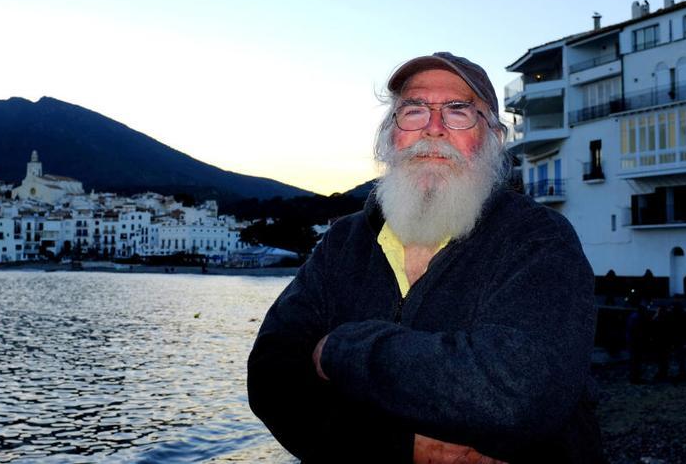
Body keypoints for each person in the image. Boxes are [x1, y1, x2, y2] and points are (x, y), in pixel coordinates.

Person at [248, 52, 603, 462]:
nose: (433, 129)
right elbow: (271, 377)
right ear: (389, 133)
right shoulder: (344, 242)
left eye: (458, 112)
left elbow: (518, 392)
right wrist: (400, 448)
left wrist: (340, 349)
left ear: (492, 137)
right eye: (414, 111)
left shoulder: (538, 239)